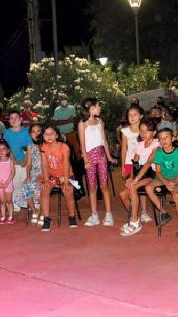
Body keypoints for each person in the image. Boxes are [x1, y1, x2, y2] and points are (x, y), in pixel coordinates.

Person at [78, 98, 117, 227]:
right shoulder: (82, 124)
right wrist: (86, 160)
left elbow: (104, 141)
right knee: (92, 186)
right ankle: (94, 215)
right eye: (98, 106)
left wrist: (109, 157)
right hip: (90, 157)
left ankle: (108, 214)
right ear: (91, 108)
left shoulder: (100, 121)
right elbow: (82, 145)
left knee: (104, 185)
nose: (100, 108)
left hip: (101, 156)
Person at [118, 119, 159, 236]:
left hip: (152, 174)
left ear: (154, 132)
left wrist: (136, 179)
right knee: (122, 194)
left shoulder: (157, 144)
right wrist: (131, 178)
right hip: (139, 174)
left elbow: (148, 163)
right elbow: (134, 164)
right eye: (141, 131)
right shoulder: (140, 144)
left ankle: (134, 221)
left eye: (147, 131)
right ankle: (135, 217)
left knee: (134, 187)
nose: (143, 134)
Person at [145, 128, 178, 237]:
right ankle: (164, 212)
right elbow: (158, 172)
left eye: (166, 137)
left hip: (175, 178)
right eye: (161, 139)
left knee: (176, 195)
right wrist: (166, 182)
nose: (163, 140)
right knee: (148, 188)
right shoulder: (159, 153)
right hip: (162, 178)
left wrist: (174, 182)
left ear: (172, 138)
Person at [40, 124, 78, 230]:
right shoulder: (43, 147)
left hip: (65, 175)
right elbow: (44, 164)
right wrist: (47, 180)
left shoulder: (64, 147)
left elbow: (66, 164)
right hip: (52, 176)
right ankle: (46, 218)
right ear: (43, 136)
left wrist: (66, 182)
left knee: (68, 190)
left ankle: (72, 216)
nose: (49, 136)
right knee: (45, 189)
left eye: (51, 133)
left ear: (57, 135)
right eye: (46, 134)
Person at [3, 110, 32, 215]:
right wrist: (13, 161)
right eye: (11, 118)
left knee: (25, 182)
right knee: (13, 184)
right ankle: (14, 206)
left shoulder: (26, 131)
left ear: (20, 120)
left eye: (16, 118)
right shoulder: (7, 133)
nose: (14, 120)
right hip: (12, 163)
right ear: (9, 121)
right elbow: (7, 148)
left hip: (25, 162)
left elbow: (29, 147)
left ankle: (26, 203)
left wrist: (25, 161)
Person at [23, 123, 44, 226]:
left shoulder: (45, 145)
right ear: (30, 134)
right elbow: (29, 164)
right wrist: (27, 176)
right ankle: (35, 210)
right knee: (26, 185)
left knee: (35, 185)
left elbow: (48, 163)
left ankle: (45, 212)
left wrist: (43, 174)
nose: (36, 133)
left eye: (38, 131)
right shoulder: (30, 146)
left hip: (45, 173)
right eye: (33, 131)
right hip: (33, 173)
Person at [0, 139, 16, 224]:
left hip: (7, 184)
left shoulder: (10, 161)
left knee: (9, 200)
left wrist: (7, 182)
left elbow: (12, 173)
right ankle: (3, 217)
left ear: (8, 150)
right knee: (2, 201)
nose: (1, 151)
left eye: (4, 149)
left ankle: (11, 217)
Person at [49, 94, 80, 159]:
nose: (64, 101)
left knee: (77, 151)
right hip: (60, 133)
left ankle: (79, 164)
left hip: (70, 132)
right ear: (59, 101)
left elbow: (74, 120)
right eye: (62, 99)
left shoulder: (72, 108)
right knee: (60, 152)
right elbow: (56, 123)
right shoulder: (57, 110)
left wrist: (63, 121)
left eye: (65, 99)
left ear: (67, 100)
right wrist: (68, 120)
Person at [120, 105, 144, 181]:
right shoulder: (125, 131)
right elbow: (124, 149)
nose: (132, 117)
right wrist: (123, 166)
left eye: (135, 115)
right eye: (129, 115)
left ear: (141, 116)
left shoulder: (145, 130)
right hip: (129, 160)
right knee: (128, 182)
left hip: (142, 161)